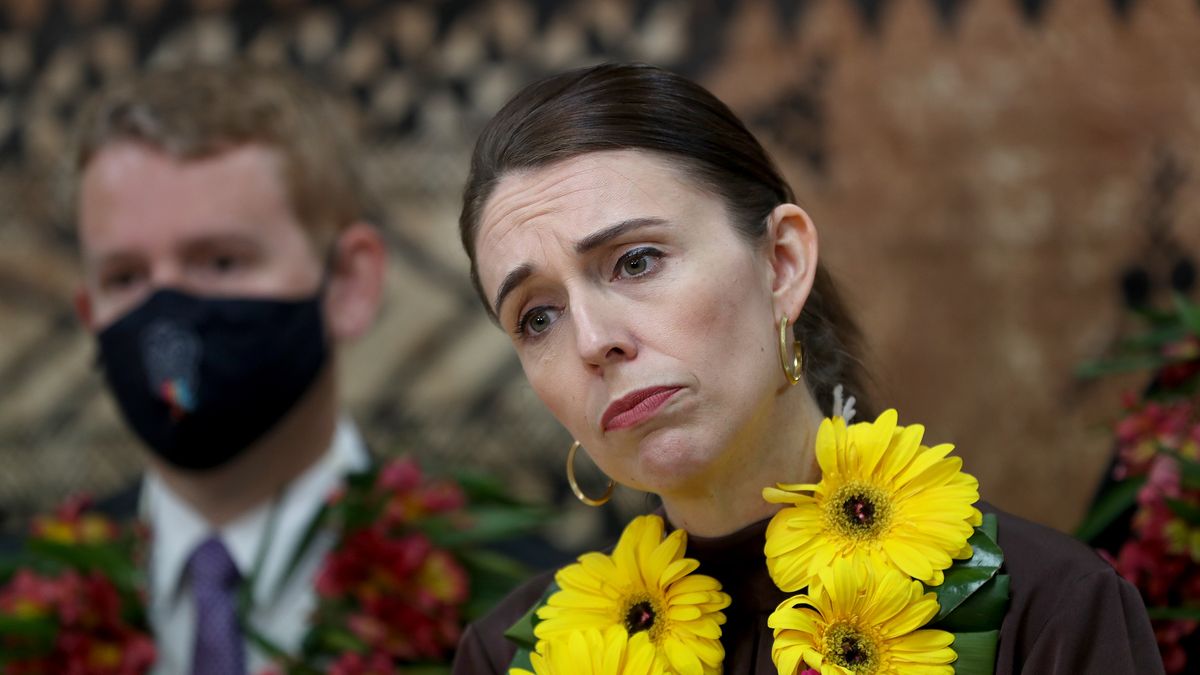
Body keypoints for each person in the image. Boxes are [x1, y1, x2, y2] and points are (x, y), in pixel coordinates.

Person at [450, 63, 1163, 674]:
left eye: (636, 261)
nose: (593, 340)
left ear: (782, 263)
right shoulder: (510, 658)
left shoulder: (1045, 613)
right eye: (537, 316)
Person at [69, 63, 387, 674]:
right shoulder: (21, 608)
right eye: (126, 278)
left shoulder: (515, 623)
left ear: (348, 283)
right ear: (90, 313)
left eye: (220, 262)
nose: (167, 314)